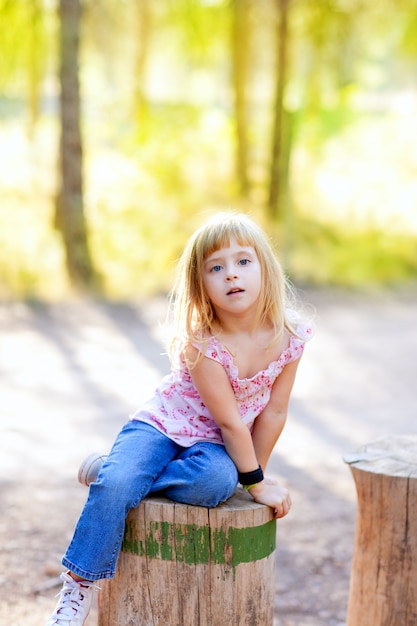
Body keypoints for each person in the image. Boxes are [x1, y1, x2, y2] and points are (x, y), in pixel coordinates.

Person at [46, 212, 312, 626]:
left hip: (212, 445)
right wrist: (259, 483)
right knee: (118, 487)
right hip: (161, 425)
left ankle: (114, 472)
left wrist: (252, 479)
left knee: (217, 483)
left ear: (265, 267)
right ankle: (78, 583)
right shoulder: (203, 343)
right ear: (201, 283)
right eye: (216, 267)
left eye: (243, 261)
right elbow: (231, 422)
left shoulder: (289, 337)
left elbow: (274, 411)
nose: (231, 275)